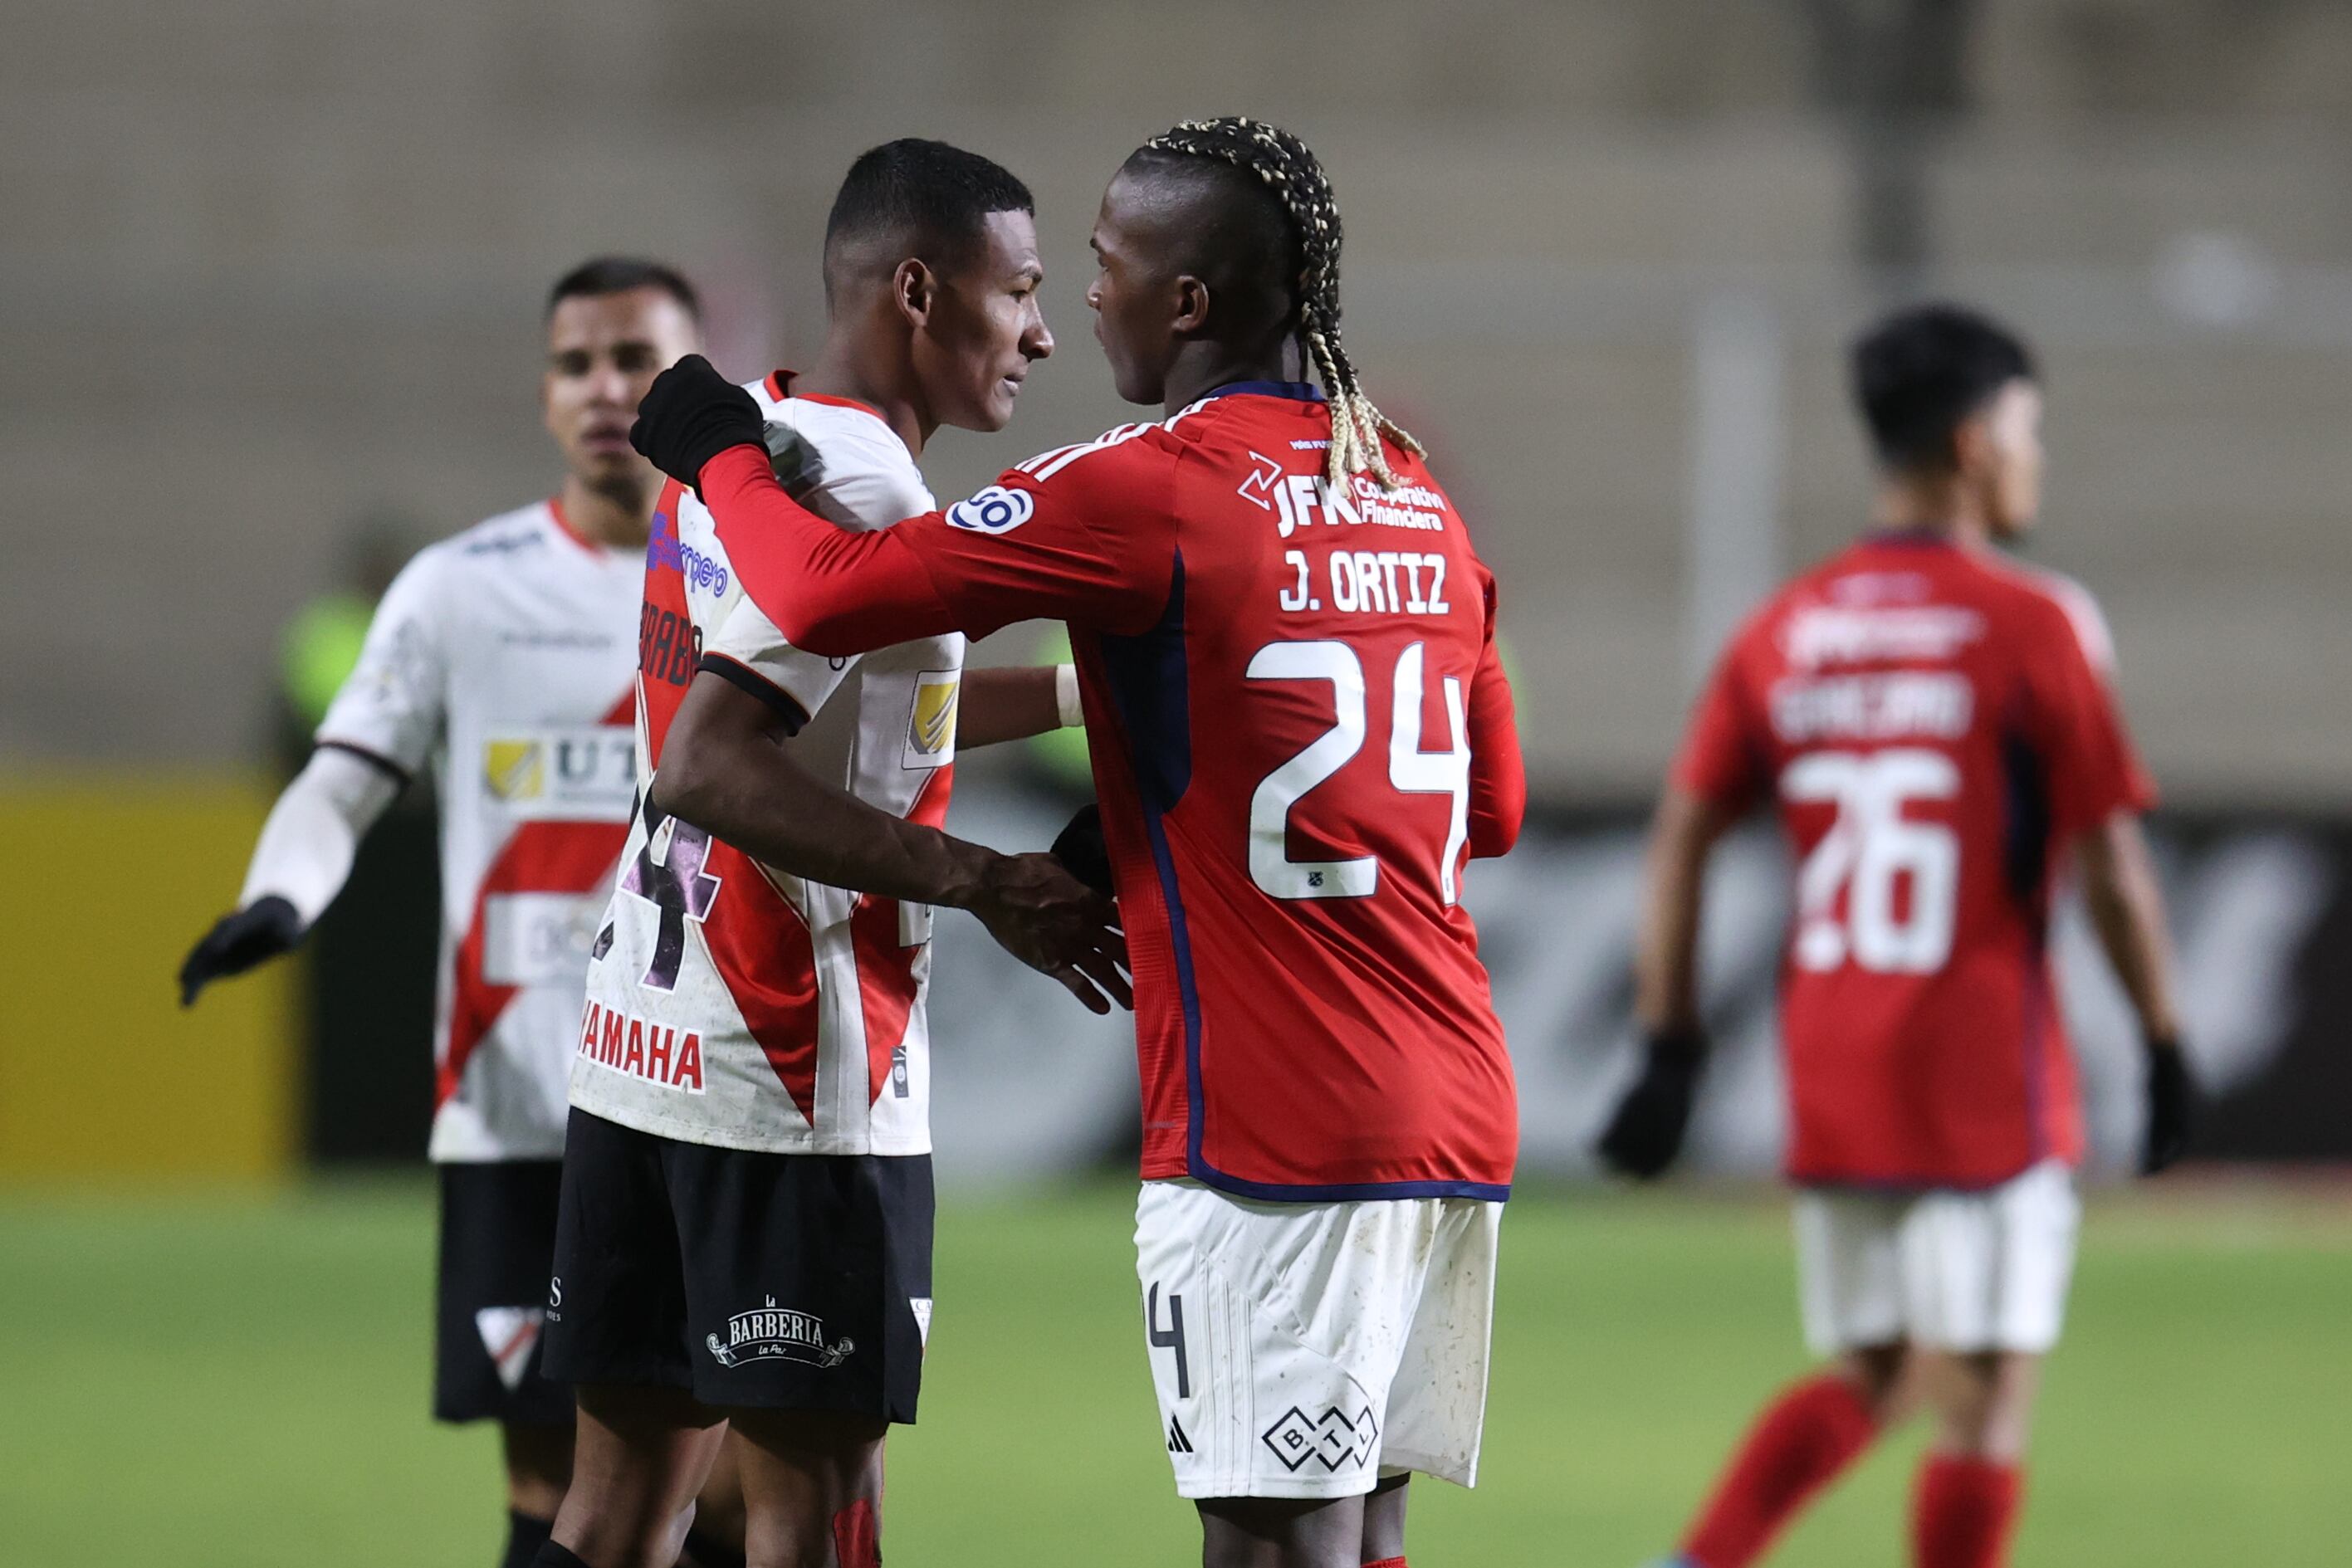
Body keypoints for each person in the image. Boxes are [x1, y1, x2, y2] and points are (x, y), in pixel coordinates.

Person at [629, 115, 1526, 1568]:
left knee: (1269, 1546)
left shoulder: (1147, 484)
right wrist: (1165, 790)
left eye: (1102, 266)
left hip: (1274, 1128)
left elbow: (823, 581)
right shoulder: (1415, 492)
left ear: (1186, 302)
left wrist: (722, 452)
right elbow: (1489, 812)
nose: (1078, 306)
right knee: (1366, 1535)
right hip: (1454, 1104)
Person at [532, 141, 1104, 1568]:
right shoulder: (867, 498)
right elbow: (712, 763)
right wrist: (983, 879)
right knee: (816, 1523)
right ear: (920, 290)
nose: (1041, 331)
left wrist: (1091, 693)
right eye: (1019, 292)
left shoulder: (754, 448)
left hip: (637, 1053)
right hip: (789, 1077)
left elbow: (860, 707)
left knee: (610, 1518)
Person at [1598, 302, 2196, 1568]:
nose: (2037, 457)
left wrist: (1668, 1040)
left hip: (1835, 1051)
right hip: (1980, 1062)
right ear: (1977, 443)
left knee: (1882, 1362)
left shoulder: (1785, 628)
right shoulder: (2035, 622)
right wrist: (2160, 1040)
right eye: (2030, 430)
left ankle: (1692, 1563)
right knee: (1983, 1392)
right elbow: (2111, 863)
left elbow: (1682, 833)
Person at [180, 259, 705, 1568]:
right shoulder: (459, 588)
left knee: (733, 1492)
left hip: (713, 1090)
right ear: (542, 393)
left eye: (636, 358)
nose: (605, 390)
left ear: (696, 383)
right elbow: (341, 780)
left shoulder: (752, 582)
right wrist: (279, 895)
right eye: (576, 364)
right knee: (553, 1491)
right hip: (518, 1103)